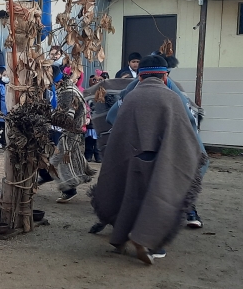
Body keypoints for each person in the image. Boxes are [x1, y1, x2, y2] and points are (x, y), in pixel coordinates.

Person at [90, 55, 203, 265]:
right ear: (165, 76)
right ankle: (152, 244)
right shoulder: (171, 98)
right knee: (159, 201)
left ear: (139, 77)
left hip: (130, 159)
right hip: (160, 161)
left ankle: (123, 235)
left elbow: (112, 120)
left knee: (130, 199)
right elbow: (186, 130)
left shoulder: (130, 97)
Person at [105, 50, 208, 228]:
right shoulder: (132, 91)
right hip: (140, 145)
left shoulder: (174, 94)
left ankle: (188, 207)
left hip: (170, 142)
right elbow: (114, 116)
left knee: (183, 168)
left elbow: (187, 122)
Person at [38, 64, 93, 203]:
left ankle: (69, 189)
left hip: (71, 131)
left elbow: (66, 116)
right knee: (56, 159)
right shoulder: (65, 88)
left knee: (61, 160)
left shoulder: (67, 92)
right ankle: (47, 175)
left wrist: (48, 117)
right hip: (71, 130)